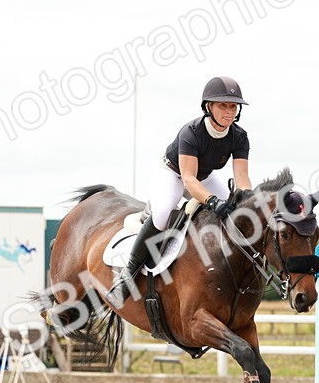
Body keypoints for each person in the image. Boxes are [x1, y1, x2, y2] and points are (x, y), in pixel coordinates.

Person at [106, 76, 253, 308]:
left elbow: (242, 177)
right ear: (208, 107)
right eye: (223, 105)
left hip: (204, 177)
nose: (229, 112)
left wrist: (247, 200)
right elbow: (188, 179)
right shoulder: (191, 132)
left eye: (233, 107)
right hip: (172, 174)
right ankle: (126, 276)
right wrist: (212, 201)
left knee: (237, 213)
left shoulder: (240, 136)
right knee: (163, 213)